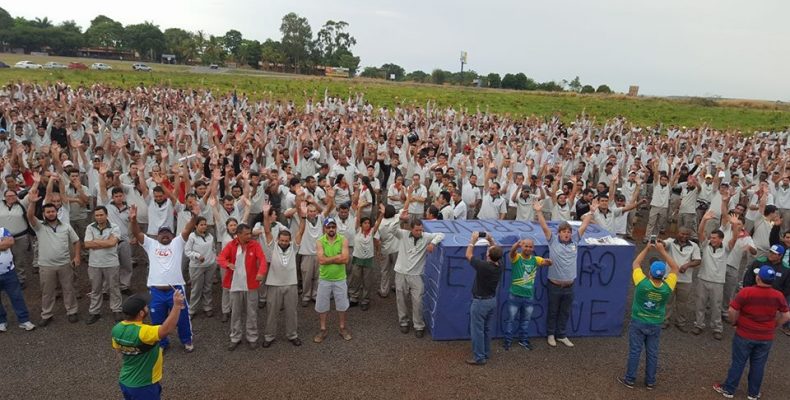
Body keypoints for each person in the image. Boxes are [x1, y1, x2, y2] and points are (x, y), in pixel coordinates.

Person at [713, 266, 790, 399]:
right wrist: (774, 325)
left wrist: (734, 322)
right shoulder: (778, 295)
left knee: (738, 362)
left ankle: (729, 389)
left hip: (745, 333)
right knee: (759, 365)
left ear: (758, 278)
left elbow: (732, 311)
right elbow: (786, 315)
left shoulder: (746, 292)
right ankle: (753, 393)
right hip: (766, 336)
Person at [129, 204, 197, 352]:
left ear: (172, 236)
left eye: (168, 233)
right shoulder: (151, 244)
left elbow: (187, 229)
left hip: (176, 290)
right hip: (156, 291)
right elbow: (137, 233)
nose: (165, 235)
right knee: (157, 320)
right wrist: (133, 220)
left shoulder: (177, 243)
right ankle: (162, 343)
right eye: (162, 233)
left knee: (182, 318)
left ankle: (187, 340)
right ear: (157, 235)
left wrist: (195, 216)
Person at [617, 241, 679, 390]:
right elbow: (675, 268)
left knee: (635, 351)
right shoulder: (667, 286)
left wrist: (646, 248)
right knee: (652, 353)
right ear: (663, 275)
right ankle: (650, 381)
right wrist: (662, 251)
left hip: (639, 320)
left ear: (649, 272)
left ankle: (630, 379)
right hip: (656, 322)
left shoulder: (642, 283)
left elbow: (636, 264)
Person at [533, 198, 593, 347]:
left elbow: (584, 225)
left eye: (568, 232)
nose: (566, 234)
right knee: (552, 311)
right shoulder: (552, 240)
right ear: (558, 233)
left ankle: (562, 335)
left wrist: (591, 212)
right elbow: (544, 227)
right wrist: (538, 211)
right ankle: (551, 335)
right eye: (564, 232)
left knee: (565, 312)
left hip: (569, 286)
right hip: (554, 285)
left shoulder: (575, 241)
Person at [112, 291, 185, 400]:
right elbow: (167, 329)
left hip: (125, 381)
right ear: (141, 313)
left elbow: (118, 352)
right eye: (146, 306)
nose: (148, 307)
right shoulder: (144, 332)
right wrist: (177, 305)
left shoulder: (117, 329)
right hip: (144, 386)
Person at [26, 185, 81, 326]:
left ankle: (72, 311)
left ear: (57, 212)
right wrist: (32, 202)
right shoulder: (39, 227)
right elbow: (30, 216)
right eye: (48, 212)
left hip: (65, 263)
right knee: (47, 291)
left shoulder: (66, 226)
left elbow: (76, 241)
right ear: (44, 214)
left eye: (53, 211)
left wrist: (77, 257)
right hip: (46, 265)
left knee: (68, 289)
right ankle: (47, 314)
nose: (50, 213)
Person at [217, 223, 268, 350]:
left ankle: (252, 336)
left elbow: (262, 260)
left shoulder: (254, 245)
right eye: (246, 234)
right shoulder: (230, 245)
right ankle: (235, 337)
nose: (249, 236)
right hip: (234, 285)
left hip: (251, 285)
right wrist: (227, 264)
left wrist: (261, 273)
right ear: (238, 234)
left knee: (252, 312)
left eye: (250, 233)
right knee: (235, 313)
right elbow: (221, 258)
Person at [392, 219, 445, 338]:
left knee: (418, 301)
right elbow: (391, 229)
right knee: (401, 299)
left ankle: (418, 325)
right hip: (401, 272)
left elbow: (441, 234)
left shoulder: (426, 236)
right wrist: (399, 217)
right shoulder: (403, 234)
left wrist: (433, 243)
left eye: (421, 230)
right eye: (417, 230)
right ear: (411, 228)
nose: (419, 232)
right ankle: (403, 322)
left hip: (416, 275)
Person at [261, 203, 303, 348]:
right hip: (274, 285)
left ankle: (292, 335)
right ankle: (269, 336)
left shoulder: (293, 247)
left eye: (286, 241)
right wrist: (266, 215)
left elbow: (301, 232)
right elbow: (267, 231)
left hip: (291, 284)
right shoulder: (272, 247)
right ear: (278, 239)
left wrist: (303, 217)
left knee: (292, 312)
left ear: (289, 241)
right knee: (272, 312)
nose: (284, 243)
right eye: (282, 240)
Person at [503, 239, 552, 351]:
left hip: (528, 296)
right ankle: (507, 341)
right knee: (511, 320)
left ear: (533, 248)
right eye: (526, 246)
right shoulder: (517, 258)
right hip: (514, 295)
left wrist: (549, 262)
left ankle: (523, 340)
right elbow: (511, 253)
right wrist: (516, 245)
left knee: (525, 321)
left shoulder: (536, 259)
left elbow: (545, 262)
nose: (528, 249)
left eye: (530, 247)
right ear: (522, 247)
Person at [691, 211, 733, 340]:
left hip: (718, 282)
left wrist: (736, 226)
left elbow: (735, 238)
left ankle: (717, 327)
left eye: (714, 238)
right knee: (700, 303)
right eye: (711, 237)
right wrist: (704, 219)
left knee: (717, 306)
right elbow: (700, 233)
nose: (712, 239)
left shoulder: (726, 248)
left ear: (721, 239)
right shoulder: (705, 245)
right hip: (703, 278)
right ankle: (699, 324)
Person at [464, 231, 503, 365]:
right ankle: (485, 352)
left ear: (488, 255)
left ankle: (479, 357)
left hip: (480, 302)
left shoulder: (484, 266)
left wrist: (472, 240)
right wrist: (491, 240)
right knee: (486, 329)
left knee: (477, 331)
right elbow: (496, 251)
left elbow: (468, 255)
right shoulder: (499, 265)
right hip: (492, 300)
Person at [313, 217, 351, 343]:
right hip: (325, 279)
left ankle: (342, 328)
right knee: (322, 306)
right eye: (328, 227)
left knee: (342, 305)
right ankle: (323, 329)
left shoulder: (343, 240)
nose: (331, 229)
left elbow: (345, 259)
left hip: (340, 279)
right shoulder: (320, 241)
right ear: (324, 228)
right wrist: (337, 257)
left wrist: (328, 258)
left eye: (333, 227)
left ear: (336, 228)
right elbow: (321, 260)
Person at [84, 206, 123, 324]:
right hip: (94, 264)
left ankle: (116, 310)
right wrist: (106, 242)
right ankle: (94, 312)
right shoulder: (90, 227)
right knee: (95, 289)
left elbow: (113, 242)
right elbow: (86, 244)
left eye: (101, 215)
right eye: (97, 215)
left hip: (111, 263)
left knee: (114, 287)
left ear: (106, 215)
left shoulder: (115, 227)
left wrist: (95, 241)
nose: (99, 217)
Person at [662, 227, 701, 332]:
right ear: (677, 233)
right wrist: (660, 242)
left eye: (687, 234)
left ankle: (680, 322)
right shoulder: (670, 242)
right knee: (667, 301)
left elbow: (697, 260)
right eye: (682, 234)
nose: (684, 236)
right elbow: (663, 244)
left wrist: (687, 265)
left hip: (685, 280)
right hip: (669, 277)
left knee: (682, 303)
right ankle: (665, 320)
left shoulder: (694, 246)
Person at [0, 226, 36, 332]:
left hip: (9, 272)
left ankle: (24, 320)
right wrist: (2, 244)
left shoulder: (3, 230)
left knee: (16, 296)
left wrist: (5, 244)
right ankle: (1, 321)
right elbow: (4, 245)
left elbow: (10, 242)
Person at [348, 204, 384, 310]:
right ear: (361, 224)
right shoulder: (357, 231)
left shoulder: (372, 232)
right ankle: (353, 297)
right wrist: (359, 208)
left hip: (368, 259)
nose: (367, 225)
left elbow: (377, 223)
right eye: (365, 223)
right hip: (357, 258)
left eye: (368, 223)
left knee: (367, 281)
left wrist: (382, 214)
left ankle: (365, 300)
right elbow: (358, 218)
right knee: (355, 279)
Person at [184, 216, 216, 319]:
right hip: (197, 266)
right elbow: (187, 251)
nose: (203, 227)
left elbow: (213, 249)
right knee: (196, 289)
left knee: (208, 287)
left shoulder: (210, 236)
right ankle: (192, 310)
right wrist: (197, 256)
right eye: (201, 225)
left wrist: (214, 259)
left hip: (210, 265)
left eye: (205, 224)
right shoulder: (192, 237)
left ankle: (207, 307)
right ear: (196, 226)